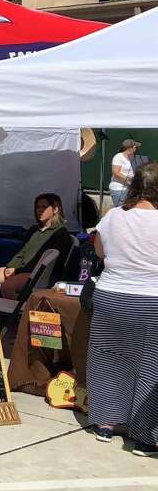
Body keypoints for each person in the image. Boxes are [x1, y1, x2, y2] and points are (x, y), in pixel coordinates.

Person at [87, 162, 158, 455]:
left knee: (108, 360)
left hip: (110, 295)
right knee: (151, 367)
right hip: (150, 299)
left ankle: (106, 423)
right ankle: (146, 436)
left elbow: (100, 252)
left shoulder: (112, 216)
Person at [0, 194, 71, 299]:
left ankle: (20, 312)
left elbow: (50, 262)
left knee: (7, 286)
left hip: (38, 275)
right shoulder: (34, 230)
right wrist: (12, 266)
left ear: (55, 209)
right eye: (38, 207)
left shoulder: (60, 233)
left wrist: (18, 270)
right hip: (20, 269)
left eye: (44, 207)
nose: (40, 210)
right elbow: (22, 251)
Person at [109, 138, 141, 207]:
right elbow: (116, 173)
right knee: (121, 210)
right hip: (119, 189)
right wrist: (130, 180)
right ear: (129, 148)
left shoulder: (135, 158)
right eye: (135, 147)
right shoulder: (118, 157)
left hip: (130, 189)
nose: (137, 148)